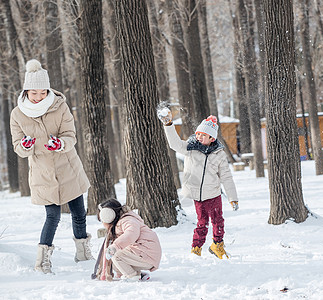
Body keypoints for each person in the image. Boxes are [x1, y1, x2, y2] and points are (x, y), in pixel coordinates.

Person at [9, 59, 93, 274]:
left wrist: (61, 143)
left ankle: (83, 254)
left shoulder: (60, 106)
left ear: (47, 90)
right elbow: (18, 146)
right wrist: (26, 146)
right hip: (43, 173)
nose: (38, 97)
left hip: (67, 167)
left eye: (42, 93)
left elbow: (70, 136)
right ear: (26, 91)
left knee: (79, 213)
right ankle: (42, 261)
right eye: (34, 93)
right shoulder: (18, 114)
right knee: (52, 216)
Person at [158, 110, 239, 259]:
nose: (199, 137)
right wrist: (168, 125)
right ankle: (196, 248)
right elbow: (175, 144)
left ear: (211, 137)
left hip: (213, 193)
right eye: (198, 134)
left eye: (203, 135)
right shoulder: (191, 147)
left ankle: (217, 245)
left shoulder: (219, 153)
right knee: (202, 223)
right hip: (197, 195)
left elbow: (226, 177)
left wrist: (232, 197)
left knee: (218, 221)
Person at [94, 199, 162, 282]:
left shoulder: (128, 220)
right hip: (141, 253)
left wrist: (115, 246)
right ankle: (136, 274)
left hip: (147, 255)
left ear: (108, 216)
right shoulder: (121, 222)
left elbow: (131, 234)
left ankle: (132, 276)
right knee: (114, 259)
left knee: (116, 255)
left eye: (102, 220)